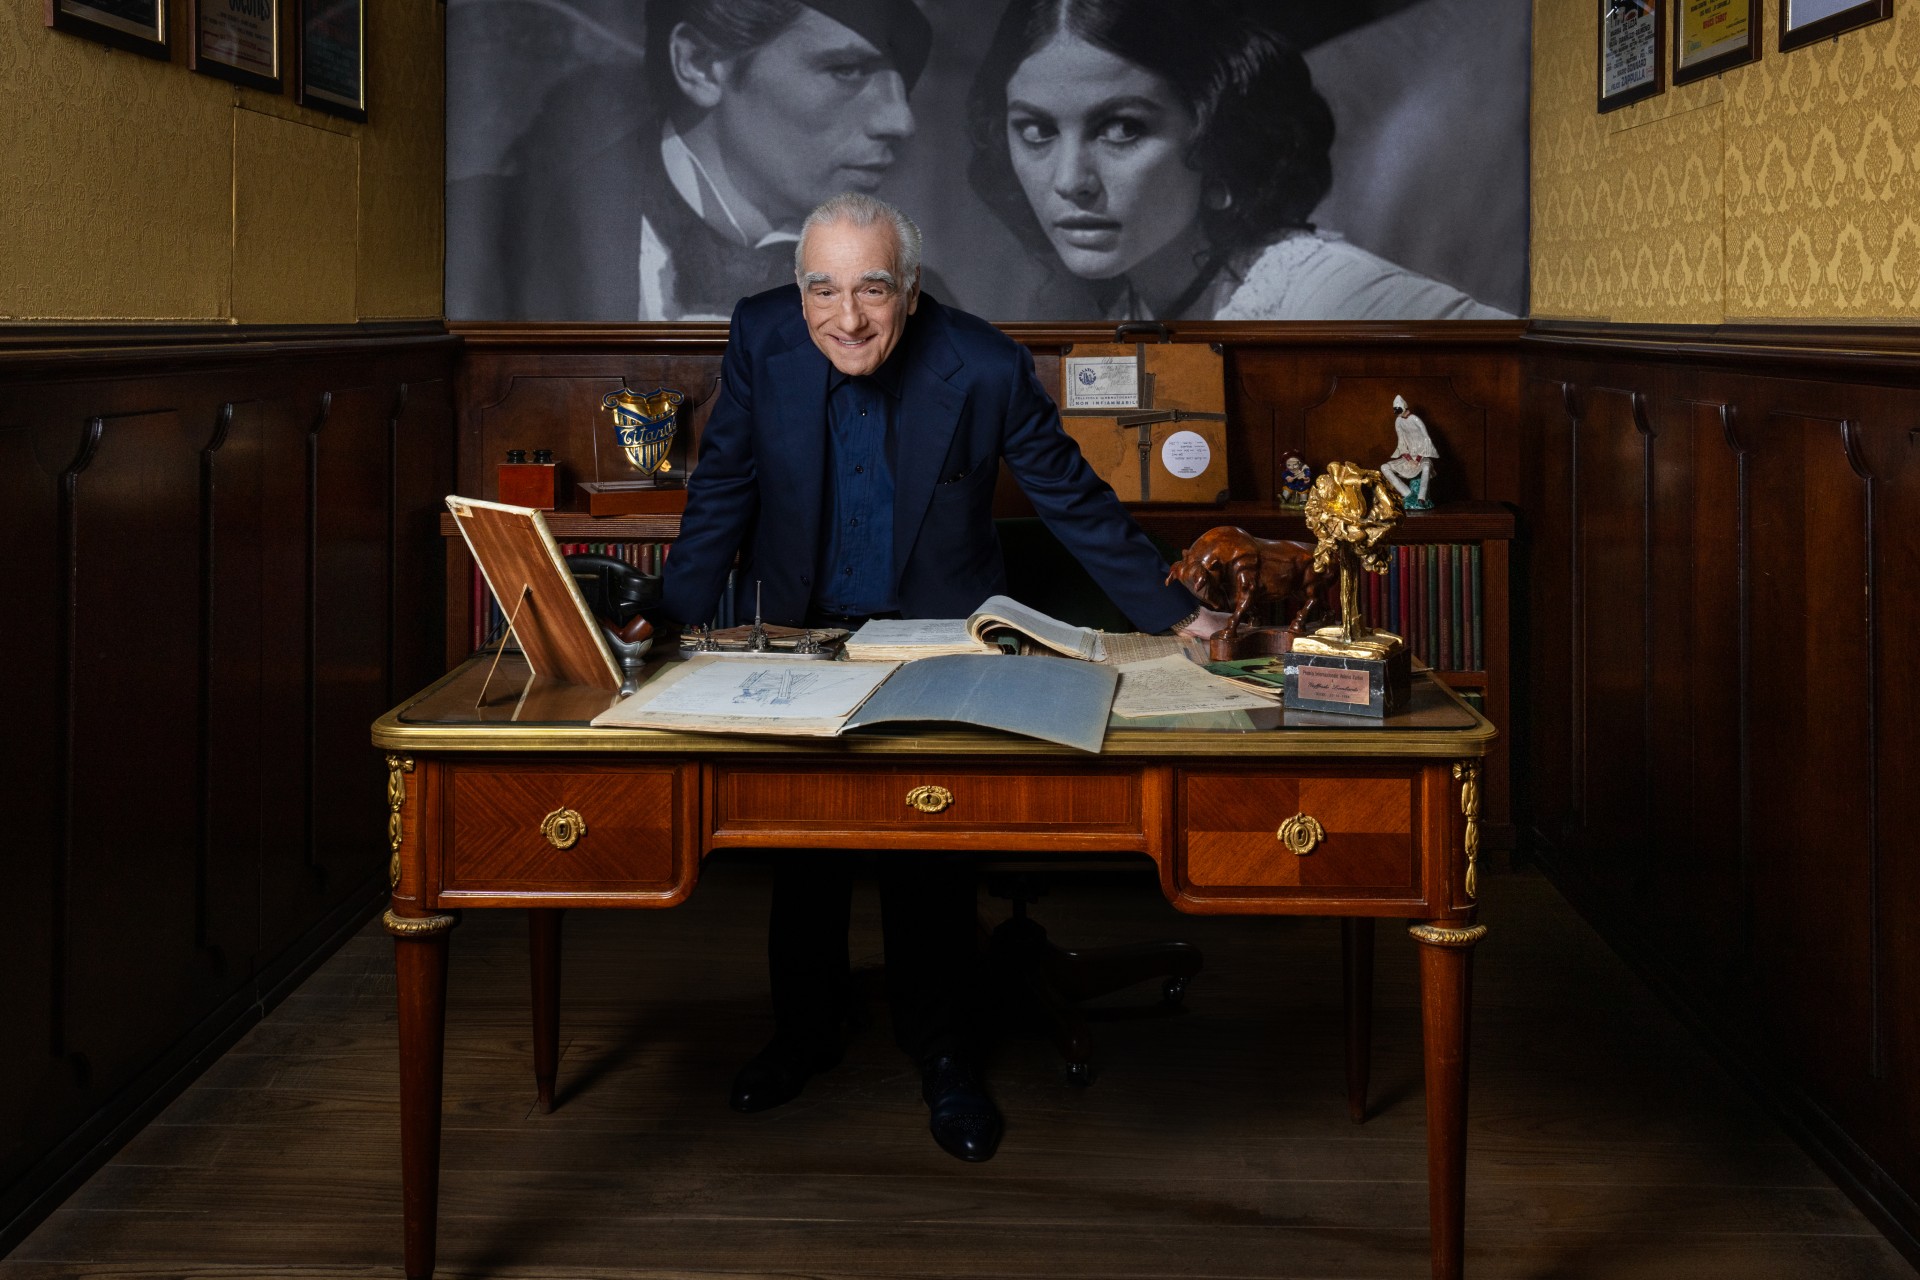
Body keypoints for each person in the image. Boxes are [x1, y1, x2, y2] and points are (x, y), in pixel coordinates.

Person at [661, 191, 1227, 1162]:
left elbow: (1072, 500)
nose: (847, 316)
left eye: (873, 289)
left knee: (927, 852)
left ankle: (946, 1053)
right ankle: (806, 1030)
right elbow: (724, 487)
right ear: (796, 293)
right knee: (803, 855)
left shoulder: (987, 364)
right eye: (822, 290)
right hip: (803, 633)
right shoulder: (760, 336)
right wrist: (669, 621)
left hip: (939, 636)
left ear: (911, 291)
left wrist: (1180, 613)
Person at [965, 0, 1510, 322]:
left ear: (1213, 132)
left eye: (1123, 128)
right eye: (1036, 131)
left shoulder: (1330, 296)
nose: (1070, 182)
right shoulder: (1128, 304)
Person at [453, 0, 932, 320]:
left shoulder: (921, 302)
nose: (901, 119)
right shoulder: (480, 239)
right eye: (846, 70)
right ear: (699, 64)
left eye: (902, 84)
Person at [1382, 394, 1439, 510]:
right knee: (1384, 467)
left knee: (1426, 467)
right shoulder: (1398, 421)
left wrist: (1418, 459)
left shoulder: (1415, 419)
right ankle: (1407, 494)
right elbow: (1401, 442)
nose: (1398, 413)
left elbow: (1426, 439)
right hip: (1409, 457)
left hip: (1422, 456)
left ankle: (1421, 498)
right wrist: (1409, 459)